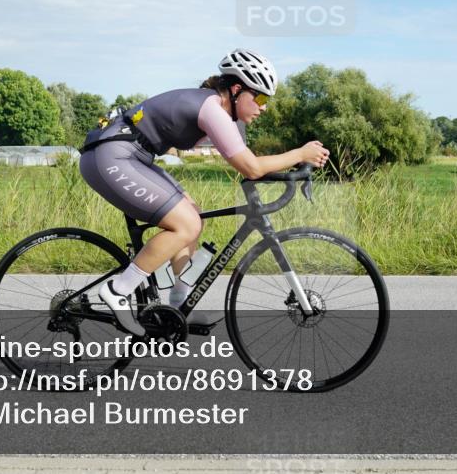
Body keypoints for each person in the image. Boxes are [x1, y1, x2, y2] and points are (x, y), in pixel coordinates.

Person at [79, 49, 329, 335]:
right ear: (237, 90)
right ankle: (118, 289)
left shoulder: (223, 113)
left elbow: (250, 160)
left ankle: (178, 302)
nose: (263, 107)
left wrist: (294, 166)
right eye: (259, 98)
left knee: (193, 215)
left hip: (131, 157)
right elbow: (252, 168)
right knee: (186, 224)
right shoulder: (212, 109)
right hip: (112, 157)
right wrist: (299, 153)